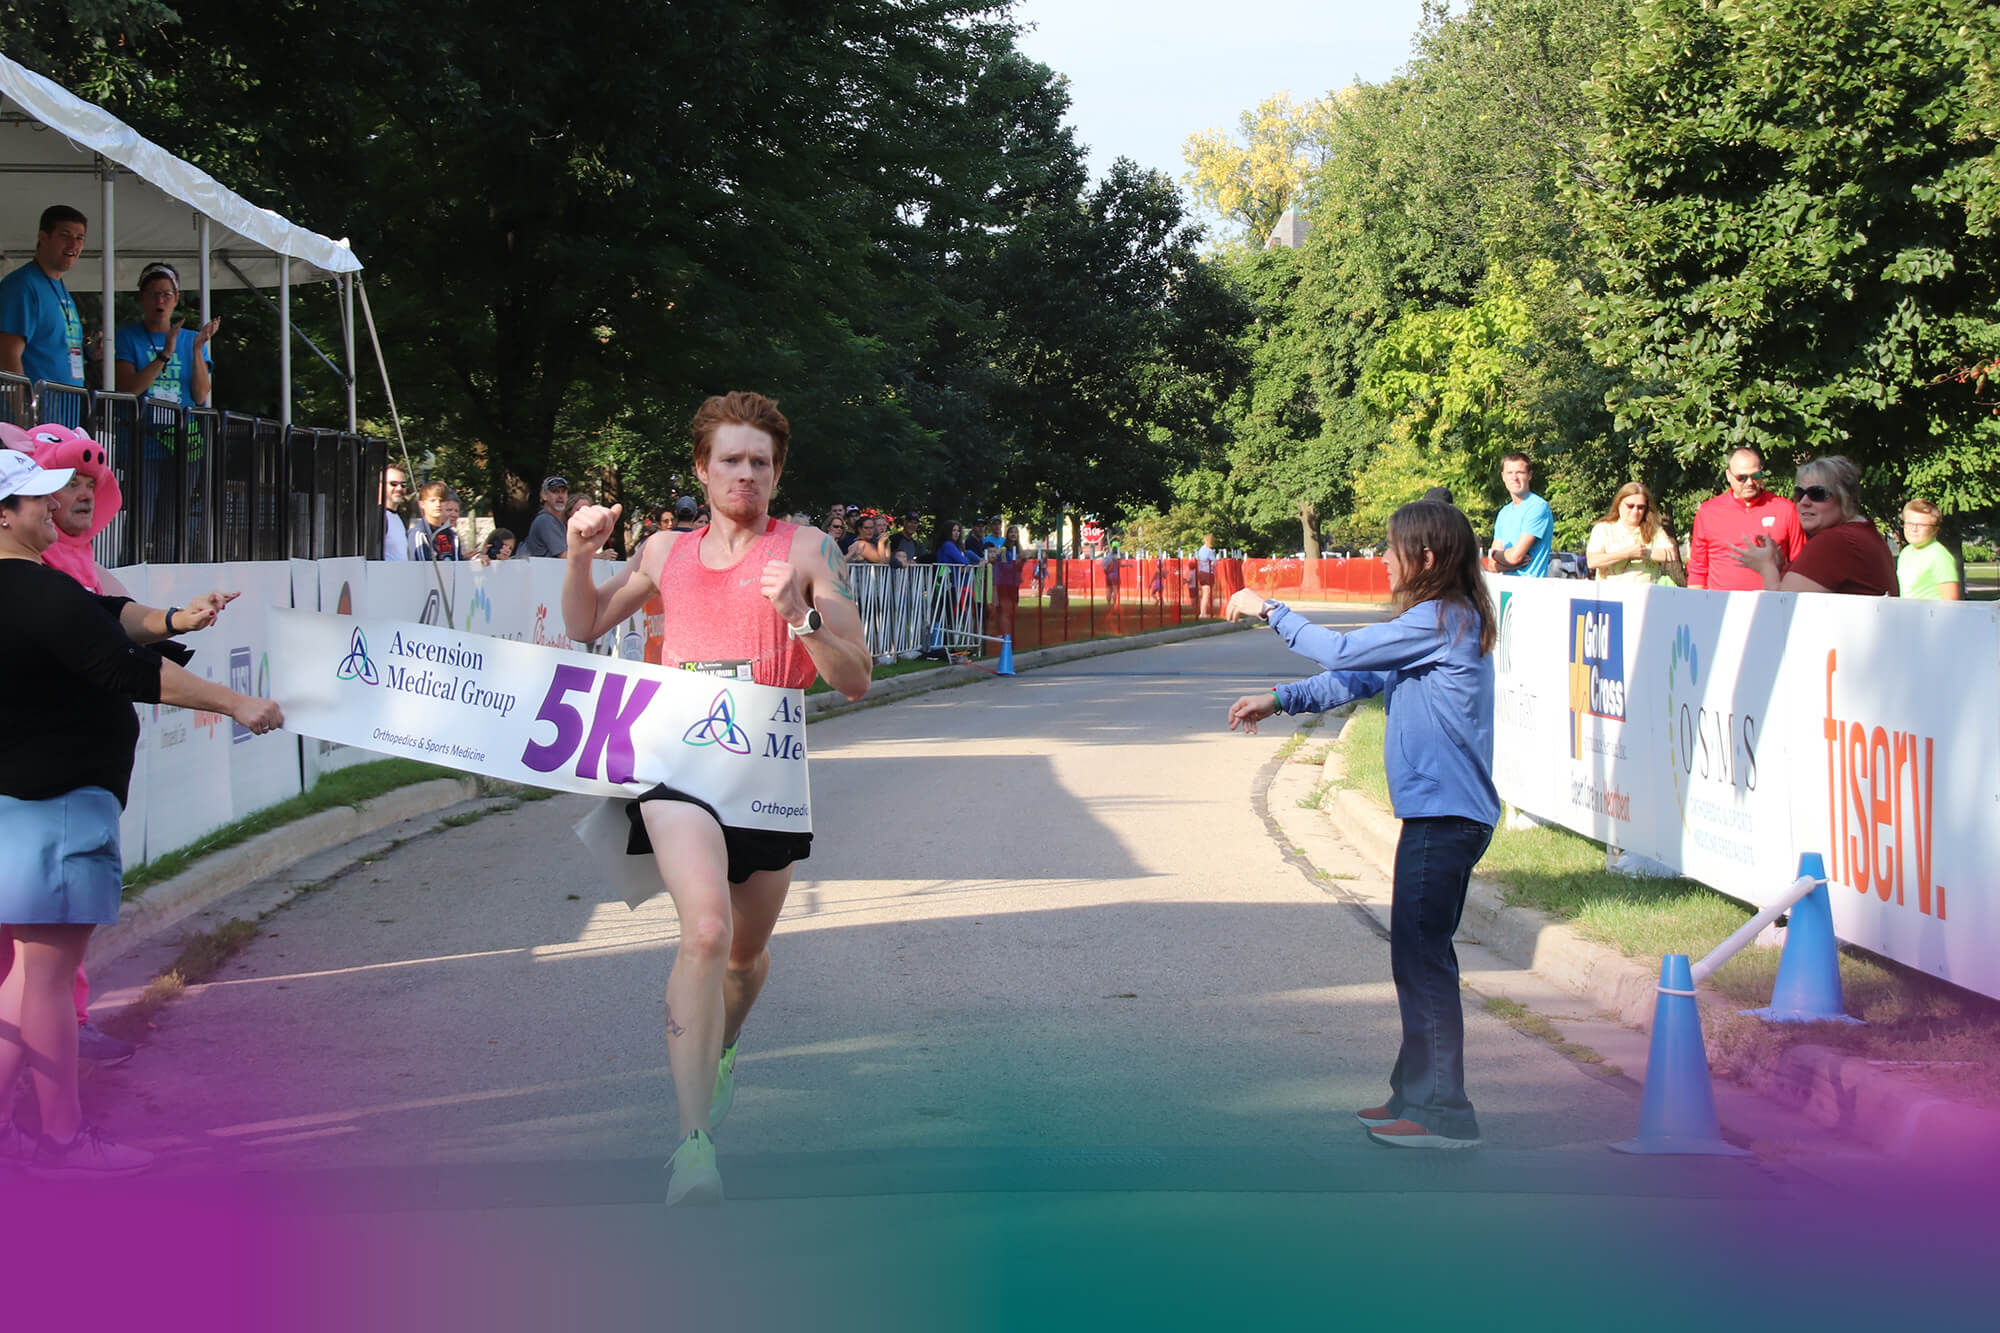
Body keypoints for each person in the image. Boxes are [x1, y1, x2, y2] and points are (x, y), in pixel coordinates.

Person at [561, 391, 870, 1207]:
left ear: (776, 473)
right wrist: (578, 556)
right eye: (730, 460)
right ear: (702, 468)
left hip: (765, 780)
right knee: (703, 927)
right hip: (678, 765)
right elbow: (587, 623)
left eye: (760, 462)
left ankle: (721, 1046)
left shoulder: (806, 549)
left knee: (743, 956)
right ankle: (693, 1147)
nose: (745, 474)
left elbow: (858, 677)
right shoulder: (665, 551)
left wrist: (801, 618)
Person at [0, 447, 280, 1177]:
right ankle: (61, 1139)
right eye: (37, 498)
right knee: (45, 982)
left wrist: (175, 617)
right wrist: (236, 701)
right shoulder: (33, 591)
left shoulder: (40, 591)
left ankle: (23, 1131)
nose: (54, 506)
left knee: (27, 979)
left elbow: (104, 616)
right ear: (5, 514)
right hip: (55, 806)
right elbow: (119, 663)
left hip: (27, 807)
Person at [1224, 499, 1499, 1149]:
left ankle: (1444, 1115)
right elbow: (1355, 674)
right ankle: (1416, 1094)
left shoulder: (1441, 618)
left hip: (1445, 815)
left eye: (1391, 548)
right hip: (1439, 815)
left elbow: (1341, 646)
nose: (1382, 559)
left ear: (1426, 558)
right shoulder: (1437, 621)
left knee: (1424, 960)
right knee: (1415, 956)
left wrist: (1271, 608)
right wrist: (1281, 699)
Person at [1728, 455, 1896, 596]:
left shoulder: (1834, 541)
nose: (1804, 502)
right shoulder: (1863, 532)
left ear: (1844, 497)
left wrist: (1765, 566)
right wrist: (1779, 565)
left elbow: (1781, 606)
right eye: (1799, 493)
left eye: (1817, 494)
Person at [0, 206, 90, 425]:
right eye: (65, 236)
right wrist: (25, 416)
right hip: (35, 423)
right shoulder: (22, 285)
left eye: (80, 238)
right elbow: (7, 354)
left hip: (65, 417)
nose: (74, 245)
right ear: (43, 237)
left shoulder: (59, 285)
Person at [1686, 446, 1805, 591]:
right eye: (1741, 478)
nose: (1749, 482)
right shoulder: (1708, 512)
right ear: (1729, 476)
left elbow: (1800, 564)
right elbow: (1698, 568)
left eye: (1755, 476)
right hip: (1721, 607)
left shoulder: (1786, 509)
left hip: (1771, 604)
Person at [1586, 482, 1682, 585]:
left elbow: (1671, 554)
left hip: (1646, 596)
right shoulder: (1603, 529)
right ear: (1619, 504)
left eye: (1641, 507)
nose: (1635, 511)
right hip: (1611, 596)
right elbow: (1592, 561)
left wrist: (1645, 552)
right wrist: (1626, 554)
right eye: (1630, 506)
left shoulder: (1655, 530)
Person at [1488, 452, 1553, 578]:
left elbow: (1514, 557)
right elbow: (1491, 565)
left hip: (1530, 589)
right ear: (1503, 476)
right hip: (1507, 592)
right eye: (1509, 473)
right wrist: (1500, 558)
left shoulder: (1538, 506)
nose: (1514, 477)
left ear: (1529, 475)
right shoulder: (1503, 513)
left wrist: (1496, 554)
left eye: (1520, 472)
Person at [1897, 499, 1961, 601]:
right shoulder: (1906, 552)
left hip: (1932, 616)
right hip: (1907, 615)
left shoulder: (1939, 556)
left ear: (1935, 530)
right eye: (1909, 523)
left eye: (1921, 525)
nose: (1914, 529)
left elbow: (1951, 602)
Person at [407, 481, 462, 561]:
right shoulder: (419, 533)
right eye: (432, 500)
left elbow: (458, 563)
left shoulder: (452, 535)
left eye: (442, 501)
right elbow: (423, 565)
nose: (438, 504)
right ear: (422, 504)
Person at [519, 475, 570, 556]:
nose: (560, 496)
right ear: (544, 495)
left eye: (563, 492)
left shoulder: (556, 520)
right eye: (555, 491)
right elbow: (564, 555)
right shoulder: (546, 520)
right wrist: (595, 557)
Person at [381, 463, 411, 562]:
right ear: (380, 485)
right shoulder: (378, 518)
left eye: (403, 485)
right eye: (393, 484)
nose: (399, 488)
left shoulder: (399, 518)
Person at [1196, 533, 1219, 616]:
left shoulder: (1201, 549)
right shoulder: (1209, 551)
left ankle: (1204, 611)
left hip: (1201, 572)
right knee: (1207, 593)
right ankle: (1203, 613)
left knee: (1205, 593)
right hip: (1207, 573)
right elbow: (1213, 563)